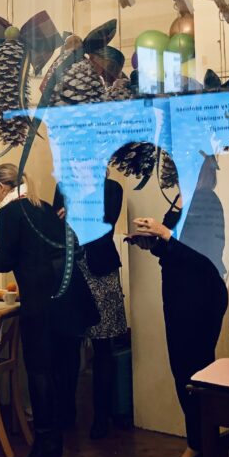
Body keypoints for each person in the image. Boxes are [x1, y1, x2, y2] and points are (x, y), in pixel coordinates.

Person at [0, 164, 99, 457]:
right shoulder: (40, 207)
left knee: (39, 372)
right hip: (66, 299)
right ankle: (55, 444)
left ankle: (45, 448)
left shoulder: (8, 212)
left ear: (1, 187)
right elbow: (36, 246)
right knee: (60, 371)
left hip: (41, 302)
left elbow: (5, 262)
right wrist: (3, 248)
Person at [129, 210, 228, 457]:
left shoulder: (207, 202)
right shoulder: (178, 204)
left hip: (201, 297)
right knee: (183, 374)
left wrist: (164, 233)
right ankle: (196, 444)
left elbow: (204, 257)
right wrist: (154, 243)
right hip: (178, 294)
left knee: (198, 376)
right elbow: (174, 251)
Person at [75, 177, 129, 440]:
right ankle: (67, 414)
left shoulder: (111, 188)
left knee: (103, 348)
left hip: (100, 274)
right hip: (71, 274)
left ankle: (101, 417)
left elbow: (103, 227)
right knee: (68, 347)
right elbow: (55, 228)